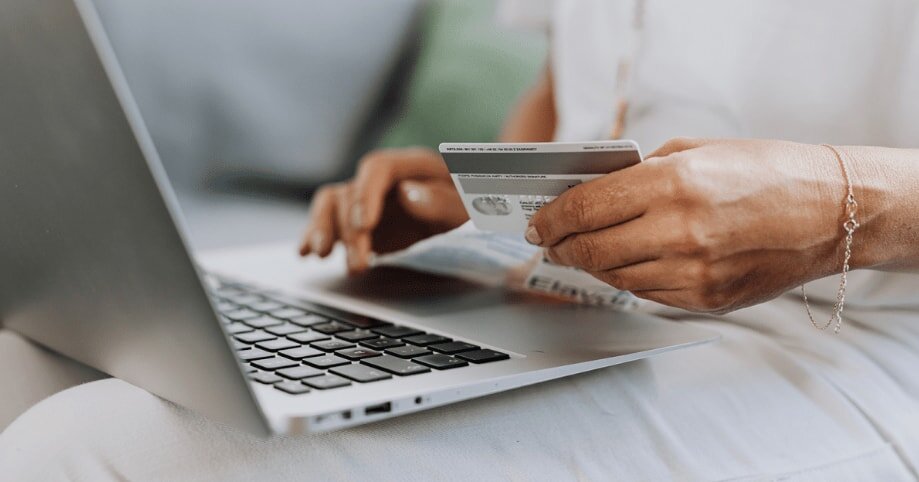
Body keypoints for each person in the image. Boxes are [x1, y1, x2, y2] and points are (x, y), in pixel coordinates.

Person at [2, 0, 919, 479]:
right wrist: (488, 199)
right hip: (573, 302)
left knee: (95, 451)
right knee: (26, 361)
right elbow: (575, 96)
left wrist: (840, 201)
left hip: (839, 346)